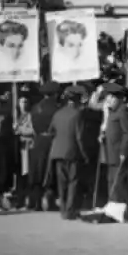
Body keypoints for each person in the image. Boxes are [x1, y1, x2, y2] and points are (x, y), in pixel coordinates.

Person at [47, 85, 89, 220]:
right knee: (73, 182)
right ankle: (71, 210)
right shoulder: (77, 114)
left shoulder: (57, 113)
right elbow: (80, 137)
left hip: (58, 152)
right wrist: (85, 154)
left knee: (62, 183)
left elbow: (50, 131)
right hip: (73, 152)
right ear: (77, 101)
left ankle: (64, 209)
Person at [102, 83, 128, 221]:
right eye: (108, 97)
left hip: (119, 154)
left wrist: (124, 150)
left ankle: (126, 212)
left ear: (120, 99)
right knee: (113, 181)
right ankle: (115, 210)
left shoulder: (122, 112)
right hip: (111, 153)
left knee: (121, 184)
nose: (109, 100)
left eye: (112, 98)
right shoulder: (113, 113)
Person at [27, 82, 61, 211]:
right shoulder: (57, 108)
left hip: (38, 140)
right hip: (51, 140)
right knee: (50, 171)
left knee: (37, 171)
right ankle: (50, 201)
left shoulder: (35, 108)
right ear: (55, 94)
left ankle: (36, 202)